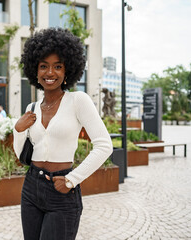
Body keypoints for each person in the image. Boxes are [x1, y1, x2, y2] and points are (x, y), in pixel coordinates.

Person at [13, 28, 113, 240]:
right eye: (44, 66)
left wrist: (71, 180)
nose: (50, 73)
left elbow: (104, 145)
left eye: (57, 66)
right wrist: (18, 130)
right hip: (31, 188)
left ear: (67, 70)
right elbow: (22, 157)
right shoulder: (32, 107)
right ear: (35, 71)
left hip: (62, 191)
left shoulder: (78, 100)